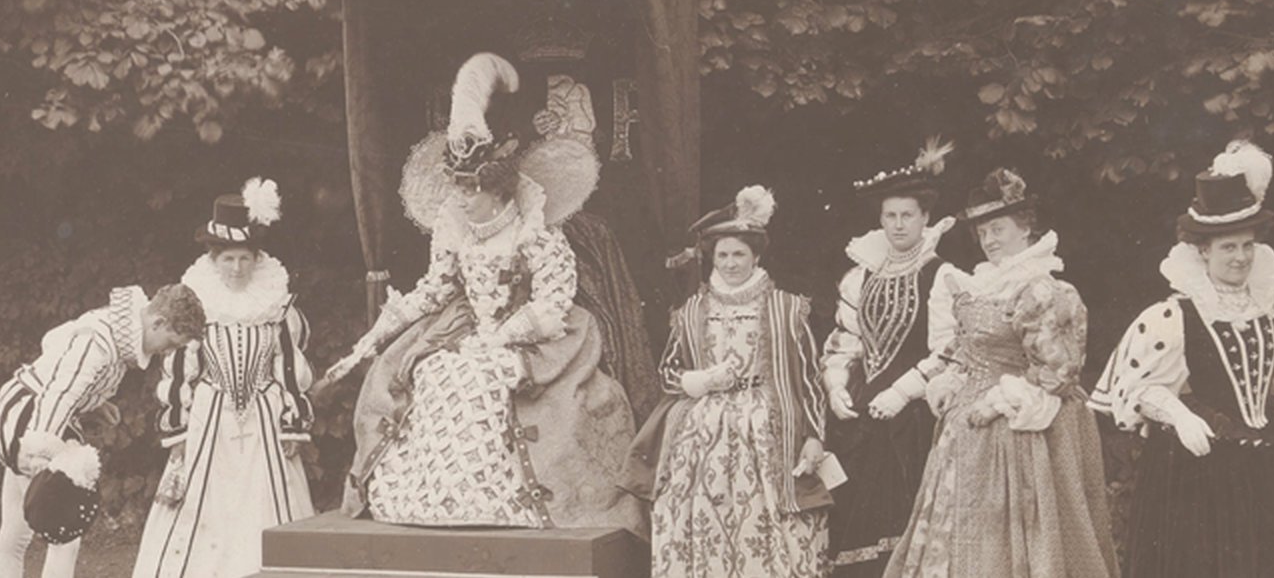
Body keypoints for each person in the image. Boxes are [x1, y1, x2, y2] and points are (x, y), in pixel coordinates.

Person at [327, 52, 641, 532]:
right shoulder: (454, 227)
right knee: (430, 371)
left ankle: (504, 497)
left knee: (484, 378)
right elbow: (435, 289)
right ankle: (428, 496)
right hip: (466, 327)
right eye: (457, 188)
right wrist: (377, 333)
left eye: (470, 190)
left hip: (537, 336)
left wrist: (500, 338)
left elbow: (553, 303)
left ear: (497, 190)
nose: (460, 198)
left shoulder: (535, 230)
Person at [1090, 141, 1274, 578]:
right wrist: (1179, 416)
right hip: (1201, 471)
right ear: (1204, 252)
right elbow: (1140, 387)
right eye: (1228, 248)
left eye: (1247, 246)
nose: (1240, 258)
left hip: (1266, 465)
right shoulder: (1174, 316)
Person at [886, 168, 1118, 578]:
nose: (990, 240)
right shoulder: (982, 284)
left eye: (999, 228)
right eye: (983, 232)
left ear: (1025, 228)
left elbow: (1058, 371)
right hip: (965, 434)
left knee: (1016, 539)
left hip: (1022, 433)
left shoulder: (1044, 289)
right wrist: (949, 379)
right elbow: (966, 348)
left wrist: (996, 403)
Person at [626, 185, 833, 577]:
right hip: (702, 431)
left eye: (740, 254)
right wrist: (701, 380)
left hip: (767, 429)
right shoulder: (692, 311)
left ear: (756, 256)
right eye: (722, 255)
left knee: (768, 517)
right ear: (711, 258)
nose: (731, 263)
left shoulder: (785, 308)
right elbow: (668, 372)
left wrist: (814, 436)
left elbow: (809, 379)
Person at [134, 178, 318, 578]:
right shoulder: (198, 302)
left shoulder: (276, 304)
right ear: (213, 260)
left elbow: (287, 369)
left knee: (269, 507)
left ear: (256, 258)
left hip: (264, 423)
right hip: (207, 421)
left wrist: (292, 425)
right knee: (202, 512)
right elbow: (182, 370)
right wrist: (179, 430)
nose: (236, 268)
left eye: (244, 259)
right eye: (228, 259)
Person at [0, 284, 204, 577]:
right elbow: (59, 395)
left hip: (29, 410)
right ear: (158, 322)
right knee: (64, 532)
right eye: (172, 342)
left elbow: (54, 349)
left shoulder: (114, 327)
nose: (169, 351)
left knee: (16, 530)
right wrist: (43, 459)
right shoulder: (99, 342)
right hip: (33, 421)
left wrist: (95, 403)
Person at [820, 138, 960, 577]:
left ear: (925, 218)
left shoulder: (942, 276)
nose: (898, 225)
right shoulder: (862, 276)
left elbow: (950, 350)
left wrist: (902, 393)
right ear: (880, 220)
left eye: (907, 216)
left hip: (913, 419)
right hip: (862, 411)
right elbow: (846, 338)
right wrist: (837, 384)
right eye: (890, 216)